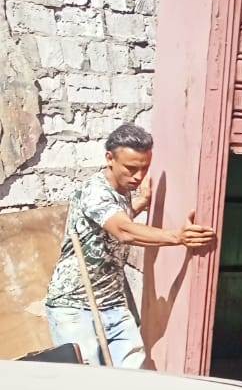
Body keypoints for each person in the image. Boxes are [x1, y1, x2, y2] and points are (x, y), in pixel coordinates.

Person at [45, 124, 216, 368]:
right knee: (85, 380)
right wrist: (177, 237)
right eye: (131, 168)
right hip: (74, 306)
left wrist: (141, 202)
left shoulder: (122, 190)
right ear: (110, 158)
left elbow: (114, 218)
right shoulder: (94, 191)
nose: (138, 176)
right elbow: (123, 230)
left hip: (113, 302)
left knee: (133, 374)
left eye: (144, 168)